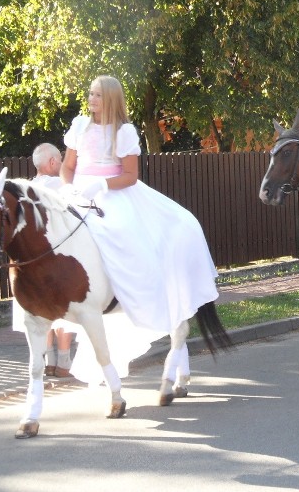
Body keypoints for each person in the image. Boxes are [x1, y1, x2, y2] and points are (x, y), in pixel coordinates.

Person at [59, 75, 219, 383]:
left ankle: (133, 294)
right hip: (77, 194)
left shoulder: (124, 132)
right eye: (90, 94)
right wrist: (68, 189)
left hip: (114, 194)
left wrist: (101, 184)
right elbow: (67, 166)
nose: (91, 99)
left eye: (98, 95)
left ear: (111, 100)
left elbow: (130, 176)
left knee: (119, 235)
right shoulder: (79, 126)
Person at [31, 143, 78, 377]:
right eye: (59, 160)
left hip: (34, 261)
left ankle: (48, 360)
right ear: (51, 163)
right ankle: (63, 362)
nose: (61, 165)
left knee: (42, 311)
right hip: (58, 255)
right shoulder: (57, 185)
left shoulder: (29, 188)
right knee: (62, 308)